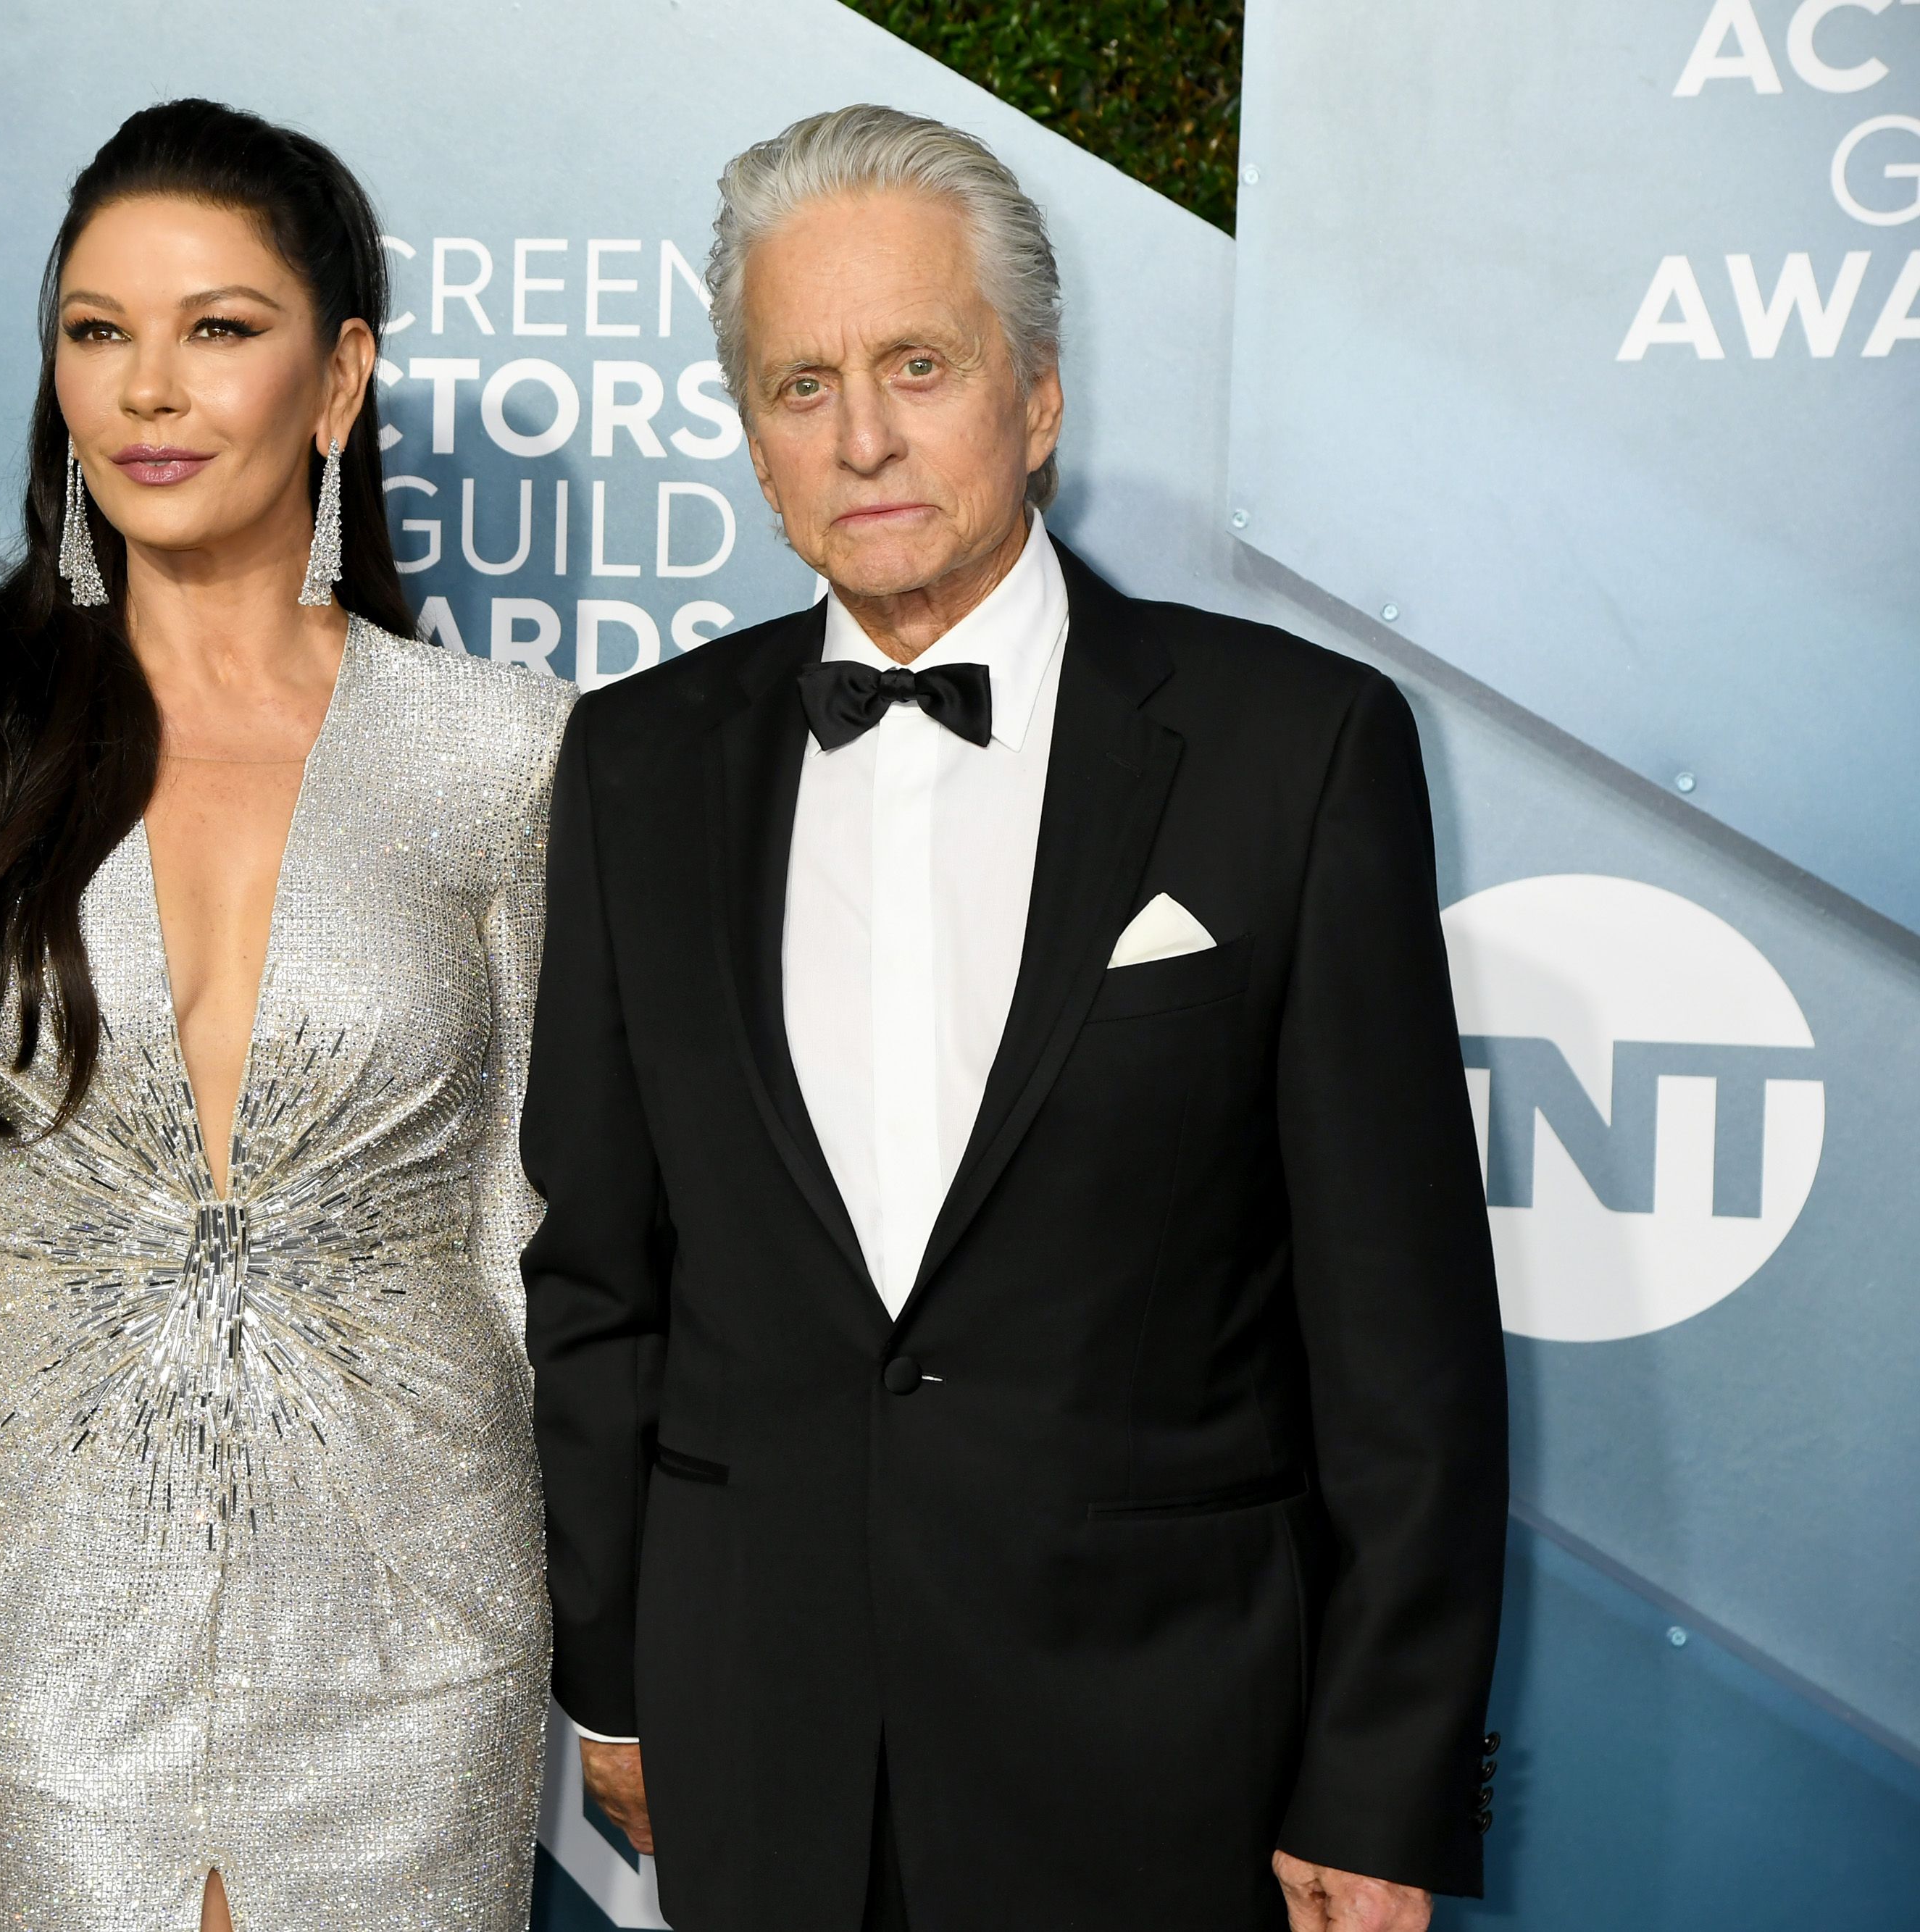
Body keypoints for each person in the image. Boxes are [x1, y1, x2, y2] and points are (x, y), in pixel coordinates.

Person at [523, 104, 1508, 1932]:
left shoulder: (1291, 750)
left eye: (916, 363)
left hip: (1163, 1755)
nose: (863, 435)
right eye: (798, 382)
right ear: (749, 435)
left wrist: (1378, 1772)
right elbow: (597, 1270)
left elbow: (1402, 1337)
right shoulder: (634, 763)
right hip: (757, 1737)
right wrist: (616, 1662)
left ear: (1033, 397)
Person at [0, 100, 569, 1932]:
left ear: (339, 378)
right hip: (52, 1605)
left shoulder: (495, 750)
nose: (148, 388)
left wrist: (628, 1634)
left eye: (218, 328)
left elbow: (528, 1226)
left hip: (418, 1611)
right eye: (98, 332)